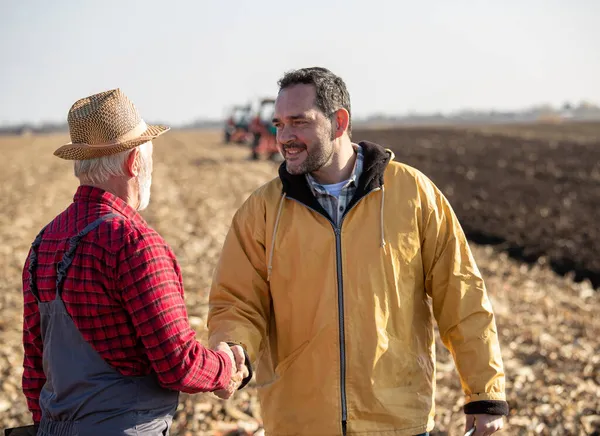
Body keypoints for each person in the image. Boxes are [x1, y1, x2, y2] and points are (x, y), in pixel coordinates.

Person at [207, 67, 509, 436]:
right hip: (299, 423)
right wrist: (234, 349)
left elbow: (462, 295)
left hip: (396, 420)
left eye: (298, 122)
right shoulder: (262, 210)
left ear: (339, 122)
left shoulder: (413, 194)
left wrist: (484, 393)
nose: (284, 137)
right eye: (279, 124)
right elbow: (237, 302)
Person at [20, 89, 248, 436]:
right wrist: (225, 366)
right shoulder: (133, 243)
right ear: (134, 163)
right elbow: (177, 363)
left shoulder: (44, 242)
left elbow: (35, 368)